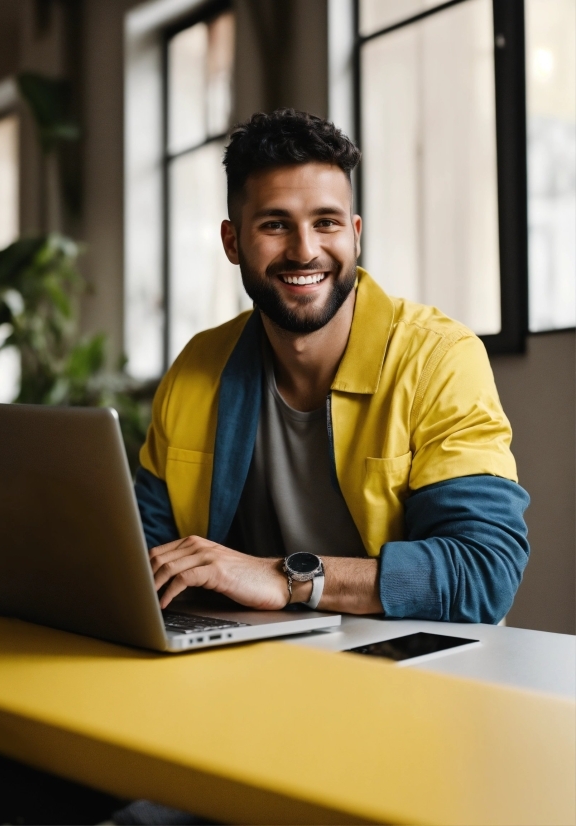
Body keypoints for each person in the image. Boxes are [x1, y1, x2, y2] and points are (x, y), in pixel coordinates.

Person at [135, 109, 529, 625]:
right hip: (253, 662)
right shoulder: (196, 369)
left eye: (326, 222)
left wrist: (286, 577)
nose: (305, 250)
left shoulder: (440, 359)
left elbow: (484, 571)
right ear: (233, 242)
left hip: (416, 667)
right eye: (275, 224)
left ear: (355, 233)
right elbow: (144, 557)